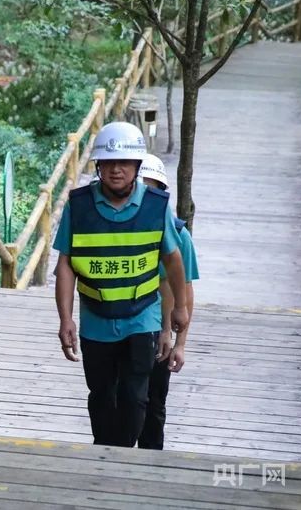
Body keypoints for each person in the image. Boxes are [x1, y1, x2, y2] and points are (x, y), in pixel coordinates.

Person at [53, 121, 190, 448]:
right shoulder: (79, 206)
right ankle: (105, 452)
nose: (116, 169)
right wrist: (65, 319)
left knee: (134, 396)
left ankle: (121, 455)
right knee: (101, 394)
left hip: (141, 317)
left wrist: (180, 309)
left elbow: (173, 260)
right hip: (95, 319)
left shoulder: (155, 205)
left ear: (137, 166)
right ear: (98, 166)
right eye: (109, 162)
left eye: (124, 163)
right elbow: (66, 264)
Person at [136, 153, 199, 450]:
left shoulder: (178, 234)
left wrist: (180, 344)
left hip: (159, 334)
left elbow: (185, 291)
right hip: (124, 327)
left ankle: (150, 461)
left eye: (152, 190)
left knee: (154, 403)